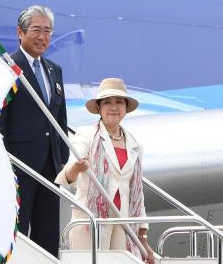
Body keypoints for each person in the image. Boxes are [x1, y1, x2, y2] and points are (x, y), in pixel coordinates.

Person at [55, 78, 155, 263]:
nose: (113, 107)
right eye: (107, 102)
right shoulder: (87, 135)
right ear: (99, 109)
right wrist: (77, 168)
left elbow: (137, 195)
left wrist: (143, 240)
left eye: (119, 102)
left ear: (126, 108)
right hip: (90, 221)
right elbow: (67, 175)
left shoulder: (135, 144)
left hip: (122, 223)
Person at [0, 5, 69, 257]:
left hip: (50, 170)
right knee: (16, 237)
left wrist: (61, 161)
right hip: (19, 169)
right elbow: (0, 121)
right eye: (37, 30)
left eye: (47, 31)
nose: (42, 37)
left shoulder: (54, 70)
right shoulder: (7, 67)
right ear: (20, 32)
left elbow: (59, 120)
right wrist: (5, 161)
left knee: (47, 239)